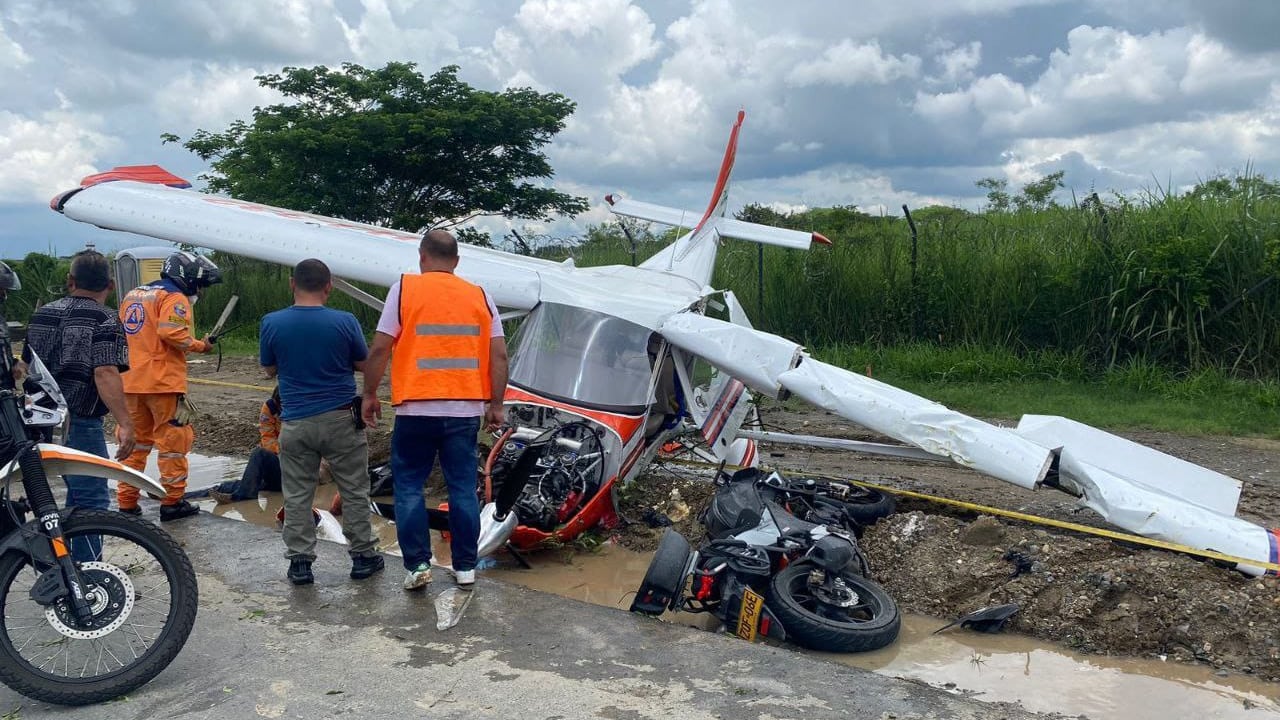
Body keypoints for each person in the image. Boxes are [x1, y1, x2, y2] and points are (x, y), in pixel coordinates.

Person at [361, 229, 508, 591]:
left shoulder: (404, 289)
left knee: (409, 486)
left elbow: (380, 349)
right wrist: (496, 404)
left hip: (415, 408)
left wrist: (368, 394)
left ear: (422, 257)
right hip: (464, 411)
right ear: (456, 262)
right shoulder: (480, 295)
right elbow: (499, 353)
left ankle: (417, 566)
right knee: (461, 488)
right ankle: (466, 568)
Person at [261, 258, 382, 586]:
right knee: (354, 488)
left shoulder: (271, 322)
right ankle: (363, 556)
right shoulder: (345, 321)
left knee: (298, 493)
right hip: (341, 418)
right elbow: (362, 362)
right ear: (328, 286)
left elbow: (270, 370)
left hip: (296, 421)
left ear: (292, 284)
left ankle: (300, 563)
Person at [25, 250, 135, 557]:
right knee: (90, 501)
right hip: (77, 421)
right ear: (110, 286)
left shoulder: (43, 313)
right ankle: (88, 582)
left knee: (61, 499)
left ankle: (67, 567)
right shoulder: (106, 318)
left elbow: (27, 367)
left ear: (70, 281)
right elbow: (105, 372)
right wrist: (125, 423)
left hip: (36, 419)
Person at [117, 250, 220, 521]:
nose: (198, 290)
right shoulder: (174, 298)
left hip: (130, 380)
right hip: (162, 382)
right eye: (198, 284)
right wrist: (201, 346)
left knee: (135, 444)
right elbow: (171, 333)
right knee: (173, 442)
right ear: (186, 278)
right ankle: (172, 502)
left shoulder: (133, 295)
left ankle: (126, 502)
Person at [209, 388, 283, 503]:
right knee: (229, 486)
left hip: (297, 474)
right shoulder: (270, 407)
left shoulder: (305, 411)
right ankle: (179, 497)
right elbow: (267, 439)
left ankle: (243, 497)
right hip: (281, 464)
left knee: (258, 454)